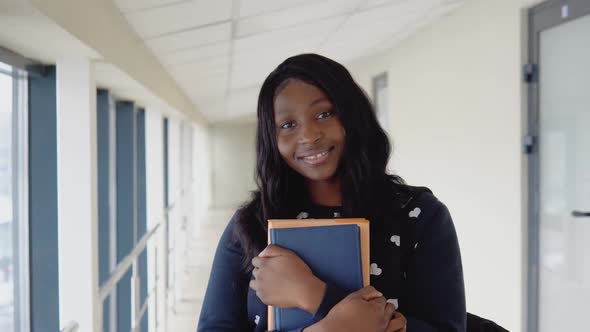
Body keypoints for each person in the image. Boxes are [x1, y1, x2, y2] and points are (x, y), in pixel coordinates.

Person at [197, 53, 466, 332]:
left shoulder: (419, 216)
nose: (309, 136)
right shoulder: (250, 224)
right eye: (288, 125)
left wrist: (312, 294)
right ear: (272, 138)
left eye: (324, 114)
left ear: (353, 115)